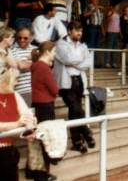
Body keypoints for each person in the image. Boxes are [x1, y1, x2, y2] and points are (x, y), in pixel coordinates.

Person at [54, 21, 95, 153]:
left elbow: (88, 62)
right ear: (70, 31)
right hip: (66, 83)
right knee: (76, 108)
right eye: (77, 31)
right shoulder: (60, 44)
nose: (80, 33)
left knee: (74, 111)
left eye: (81, 31)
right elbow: (68, 59)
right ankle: (86, 131)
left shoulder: (83, 45)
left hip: (79, 81)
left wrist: (76, 62)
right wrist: (79, 60)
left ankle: (77, 142)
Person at [0, 68, 36, 181]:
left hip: (7, 150)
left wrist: (30, 126)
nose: (17, 83)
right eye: (15, 79)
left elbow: (27, 114)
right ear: (5, 80)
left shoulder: (15, 95)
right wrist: (17, 124)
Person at [30, 41, 58, 181]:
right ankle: (43, 174)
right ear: (47, 52)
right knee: (46, 140)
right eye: (54, 52)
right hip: (46, 105)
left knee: (39, 139)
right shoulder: (43, 67)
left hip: (38, 104)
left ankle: (37, 171)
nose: (55, 54)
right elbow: (54, 89)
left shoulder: (36, 66)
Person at [10, 28, 36, 106]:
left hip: (36, 89)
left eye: (25, 38)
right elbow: (21, 66)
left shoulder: (35, 49)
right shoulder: (11, 50)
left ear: (31, 38)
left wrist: (22, 64)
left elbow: (44, 65)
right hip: (20, 90)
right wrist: (34, 63)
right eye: (19, 37)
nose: (22, 40)